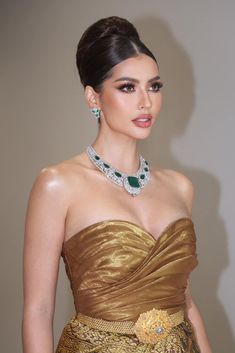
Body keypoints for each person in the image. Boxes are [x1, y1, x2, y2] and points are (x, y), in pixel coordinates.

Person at [22, 16, 212, 353]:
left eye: (154, 86)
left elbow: (186, 301)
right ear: (93, 97)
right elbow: (38, 311)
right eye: (127, 87)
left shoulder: (181, 187)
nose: (145, 101)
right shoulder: (57, 184)